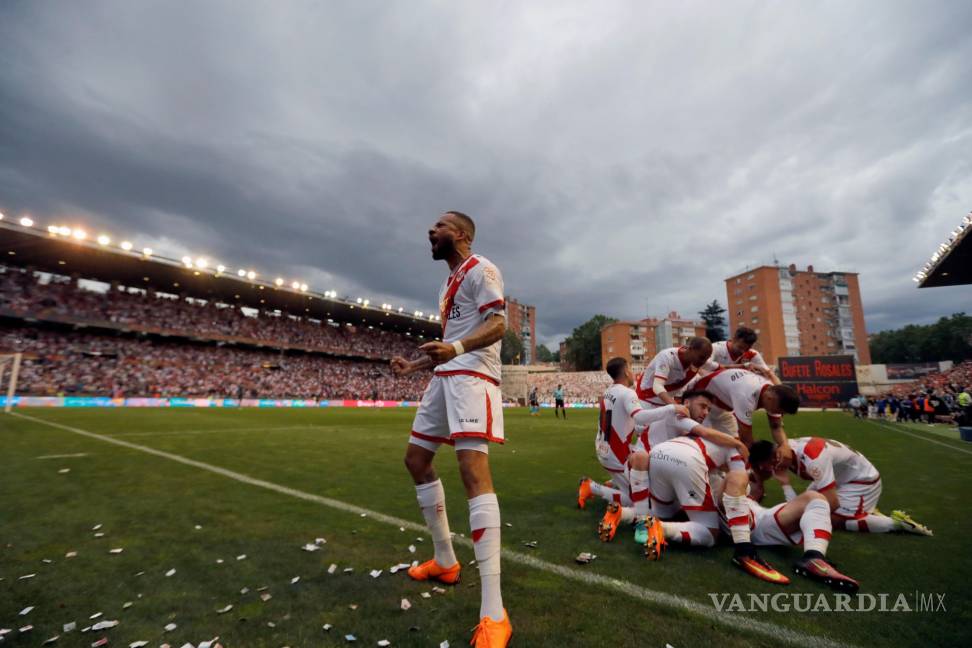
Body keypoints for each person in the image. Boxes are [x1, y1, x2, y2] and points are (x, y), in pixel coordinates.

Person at [390, 211, 512, 647]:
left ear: (460, 235)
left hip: (473, 377)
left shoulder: (483, 269)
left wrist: (456, 347)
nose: (430, 231)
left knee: (472, 472)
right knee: (416, 460)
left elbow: (499, 325)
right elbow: (447, 348)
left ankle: (494, 611)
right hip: (445, 377)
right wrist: (415, 366)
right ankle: (446, 560)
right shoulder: (445, 284)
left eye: (438, 226)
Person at [748, 438, 933, 536]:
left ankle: (897, 524)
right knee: (804, 506)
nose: (765, 470)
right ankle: (862, 509)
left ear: (773, 458)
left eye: (764, 466)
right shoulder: (785, 451)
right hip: (838, 478)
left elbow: (832, 503)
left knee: (831, 519)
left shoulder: (812, 459)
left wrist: (786, 485)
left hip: (862, 481)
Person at [635, 337, 713, 408]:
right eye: (702, 358)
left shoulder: (700, 359)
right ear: (690, 349)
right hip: (646, 400)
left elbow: (719, 368)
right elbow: (657, 386)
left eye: (707, 358)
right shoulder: (667, 356)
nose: (703, 362)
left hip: (666, 403)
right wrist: (676, 406)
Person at [702, 326, 780, 385]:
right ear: (733, 339)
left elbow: (769, 374)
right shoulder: (715, 348)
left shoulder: (752, 354)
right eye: (740, 347)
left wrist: (783, 393)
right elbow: (705, 365)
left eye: (747, 349)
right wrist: (741, 366)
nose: (743, 352)